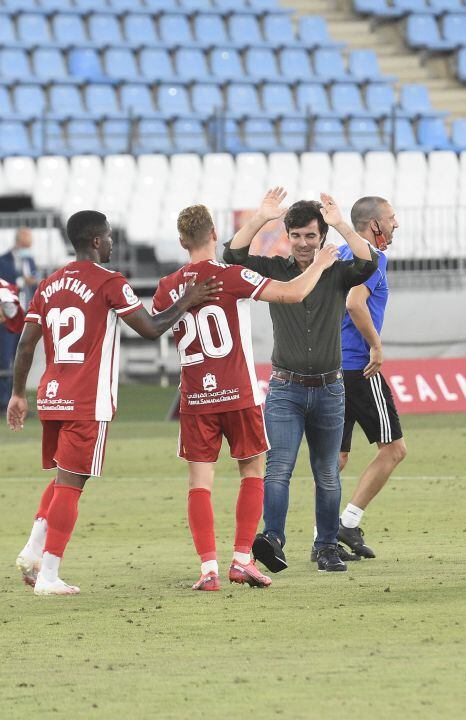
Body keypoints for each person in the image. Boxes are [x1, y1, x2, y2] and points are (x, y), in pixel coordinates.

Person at [8, 210, 219, 596]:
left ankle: (34, 550)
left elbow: (25, 344)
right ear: (94, 241)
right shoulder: (110, 282)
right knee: (71, 484)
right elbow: (152, 328)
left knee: (66, 475)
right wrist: (188, 300)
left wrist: (18, 393)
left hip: (52, 395)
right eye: (107, 238)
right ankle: (48, 575)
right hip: (86, 399)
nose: (111, 244)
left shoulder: (49, 284)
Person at [153, 197, 340, 591]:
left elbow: (160, 320)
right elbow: (291, 293)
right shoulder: (231, 275)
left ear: (182, 240)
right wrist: (321, 264)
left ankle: (208, 570)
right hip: (237, 394)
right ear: (214, 235)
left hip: (195, 400)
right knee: (252, 471)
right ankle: (240, 560)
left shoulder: (167, 288)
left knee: (199, 483)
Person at [222, 193, 377, 574]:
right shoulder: (275, 269)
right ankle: (272, 540)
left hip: (329, 388)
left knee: (327, 473)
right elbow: (232, 257)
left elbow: (368, 261)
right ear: (288, 237)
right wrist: (260, 217)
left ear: (321, 236)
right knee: (278, 469)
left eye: (311, 235)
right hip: (285, 390)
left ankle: (326, 548)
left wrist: (341, 223)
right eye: (296, 236)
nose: (304, 243)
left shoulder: (338, 270)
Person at [335, 196, 405, 560]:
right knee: (394, 449)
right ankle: (347, 521)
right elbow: (354, 303)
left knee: (337, 456)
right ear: (374, 225)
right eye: (391, 219)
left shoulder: (339, 255)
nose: (396, 225)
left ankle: (324, 536)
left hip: (331, 366)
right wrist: (376, 347)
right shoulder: (373, 259)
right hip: (359, 366)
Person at [0, 228, 39, 415]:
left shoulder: (30, 260)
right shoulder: (2, 261)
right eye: (27, 245)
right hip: (8, 317)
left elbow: (33, 284)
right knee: (5, 359)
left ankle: (18, 401)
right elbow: (0, 284)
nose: (29, 248)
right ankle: (2, 402)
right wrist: (21, 281)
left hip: (26, 316)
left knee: (22, 359)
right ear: (18, 242)